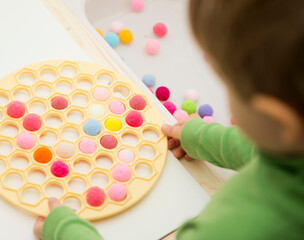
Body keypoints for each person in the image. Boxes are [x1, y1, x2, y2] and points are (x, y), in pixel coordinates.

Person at [34, 0, 304, 239]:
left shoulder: (234, 227)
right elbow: (256, 152)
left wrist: (65, 232)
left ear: (277, 119)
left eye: (229, 85)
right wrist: (204, 138)